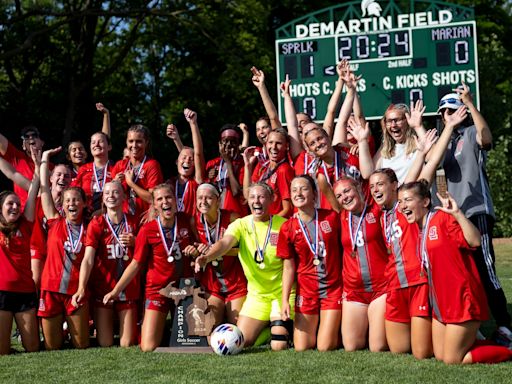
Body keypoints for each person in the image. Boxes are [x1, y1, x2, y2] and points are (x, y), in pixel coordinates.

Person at [398, 181, 512, 364]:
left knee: (452, 359)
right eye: (400, 202)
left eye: (408, 200)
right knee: (441, 355)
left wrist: (457, 213)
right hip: (442, 304)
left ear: (426, 201)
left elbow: (475, 241)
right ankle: (482, 341)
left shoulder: (443, 218)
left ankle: (507, 350)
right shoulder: (417, 228)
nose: (403, 206)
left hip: (462, 301)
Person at [438, 83, 512, 346]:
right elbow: (439, 178)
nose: (449, 114)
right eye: (444, 111)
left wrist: (470, 103)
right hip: (452, 216)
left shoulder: (470, 132)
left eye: (452, 109)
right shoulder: (441, 142)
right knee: (464, 273)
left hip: (476, 210)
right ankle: (475, 326)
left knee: (485, 268)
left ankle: (505, 325)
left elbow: (487, 138)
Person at [195, 182, 292, 350]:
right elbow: (225, 243)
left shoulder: (284, 225)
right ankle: (270, 327)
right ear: (248, 201)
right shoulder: (241, 224)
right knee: (241, 342)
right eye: (253, 197)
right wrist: (208, 256)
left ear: (271, 200)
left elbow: (290, 266)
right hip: (257, 296)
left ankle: (279, 330)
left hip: (281, 293)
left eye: (262, 197)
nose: (257, 201)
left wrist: (284, 300)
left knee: (279, 346)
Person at [103, 183, 197, 352]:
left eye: (168, 197)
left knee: (191, 343)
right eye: (159, 199)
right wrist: (115, 291)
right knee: (147, 347)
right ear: (154, 205)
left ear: (175, 201)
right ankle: (161, 330)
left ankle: (171, 331)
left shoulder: (187, 220)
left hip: (184, 288)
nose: (164, 202)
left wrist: (196, 250)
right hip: (158, 290)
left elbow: (200, 245)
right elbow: (136, 263)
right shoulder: (147, 230)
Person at [278, 175, 342, 351]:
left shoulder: (331, 217)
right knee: (302, 347)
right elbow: (288, 267)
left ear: (314, 194)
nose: (298, 193)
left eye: (304, 188)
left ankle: (337, 331)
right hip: (307, 290)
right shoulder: (287, 227)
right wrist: (285, 301)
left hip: (332, 289)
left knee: (324, 347)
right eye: (294, 190)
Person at [71, 181, 139, 347]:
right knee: (105, 343)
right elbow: (88, 259)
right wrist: (81, 287)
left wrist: (135, 241)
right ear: (103, 198)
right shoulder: (97, 223)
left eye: (116, 192)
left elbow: (144, 255)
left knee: (126, 343)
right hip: (104, 288)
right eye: (107, 193)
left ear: (123, 196)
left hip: (128, 289)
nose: (111, 196)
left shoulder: (134, 222)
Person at [38, 148, 90, 350]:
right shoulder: (54, 221)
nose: (71, 204)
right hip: (51, 289)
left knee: (81, 345)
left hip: (76, 291)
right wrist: (44, 160)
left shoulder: (91, 228)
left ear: (84, 204)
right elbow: (44, 190)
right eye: (68, 200)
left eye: (76, 200)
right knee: (53, 347)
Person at [333, 177, 388, 352]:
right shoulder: (340, 218)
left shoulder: (377, 211)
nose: (345, 197)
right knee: (351, 347)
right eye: (339, 195)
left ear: (358, 188)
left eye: (347, 191)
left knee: (377, 347)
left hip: (381, 289)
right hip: (354, 291)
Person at [184, 183, 246, 326]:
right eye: (200, 198)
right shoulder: (194, 222)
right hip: (212, 284)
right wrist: (196, 252)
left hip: (235, 282)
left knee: (239, 328)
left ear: (218, 201)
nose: (203, 202)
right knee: (209, 327)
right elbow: (197, 252)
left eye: (208, 198)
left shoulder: (232, 218)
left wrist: (213, 251)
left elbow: (244, 249)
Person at [0, 148, 40, 355]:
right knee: (2, 351)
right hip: (1, 294)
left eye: (17, 203)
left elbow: (33, 191)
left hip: (25, 292)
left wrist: (37, 164)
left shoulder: (26, 224)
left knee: (33, 348)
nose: (15, 207)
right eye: (10, 204)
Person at [111, 124, 163, 222]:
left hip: (144, 219)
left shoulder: (152, 165)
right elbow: (108, 197)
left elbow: (154, 198)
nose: (134, 145)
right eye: (131, 141)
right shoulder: (120, 165)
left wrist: (131, 183)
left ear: (146, 142)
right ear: (126, 142)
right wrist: (115, 183)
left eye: (139, 141)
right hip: (123, 220)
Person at [243, 128, 294, 218]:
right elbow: (247, 195)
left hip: (274, 226)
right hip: (262, 222)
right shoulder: (262, 167)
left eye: (278, 143)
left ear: (286, 146)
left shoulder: (284, 170)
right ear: (266, 144)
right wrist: (248, 166)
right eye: (270, 142)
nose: (273, 147)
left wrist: (270, 224)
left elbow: (288, 208)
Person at [374, 101, 426, 184]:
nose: (393, 125)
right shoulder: (385, 149)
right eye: (389, 121)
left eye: (397, 120)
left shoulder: (419, 144)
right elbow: (369, 173)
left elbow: (435, 159)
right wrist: (362, 145)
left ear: (407, 121)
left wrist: (418, 126)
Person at [166, 108, 205, 217]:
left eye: (191, 159)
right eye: (184, 158)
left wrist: (193, 123)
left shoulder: (196, 181)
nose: (187, 160)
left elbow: (198, 153)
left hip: (191, 230)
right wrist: (176, 139)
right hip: (173, 228)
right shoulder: (170, 183)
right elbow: (183, 155)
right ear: (176, 162)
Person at [205, 124, 246, 217]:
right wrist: (210, 180)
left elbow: (236, 192)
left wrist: (228, 162)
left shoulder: (244, 163)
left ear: (238, 144)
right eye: (225, 141)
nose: (228, 145)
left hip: (236, 215)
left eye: (233, 141)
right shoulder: (212, 164)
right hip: (216, 216)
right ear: (219, 144)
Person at [0, 125, 45, 208]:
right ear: (23, 146)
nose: (31, 137)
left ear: (42, 142)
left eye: (34, 135)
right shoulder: (18, 159)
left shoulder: (54, 168)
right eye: (26, 137)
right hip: (23, 214)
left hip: (45, 214)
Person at [72, 131, 113, 215]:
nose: (96, 145)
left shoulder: (116, 169)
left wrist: (103, 211)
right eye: (93, 142)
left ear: (109, 147)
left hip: (110, 215)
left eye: (100, 141)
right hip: (87, 216)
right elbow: (74, 192)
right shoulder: (83, 169)